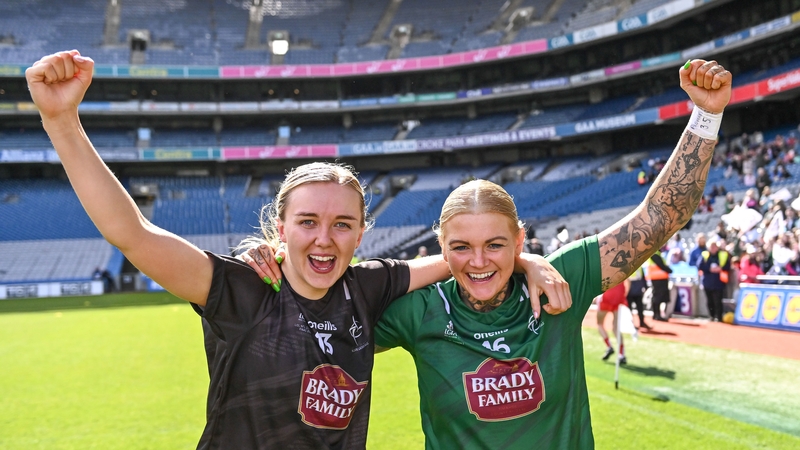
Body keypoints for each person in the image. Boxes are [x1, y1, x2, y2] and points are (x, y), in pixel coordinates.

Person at [26, 50, 572, 449]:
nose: (323, 238)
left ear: (361, 235)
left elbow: (463, 258)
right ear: (280, 227)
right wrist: (62, 122)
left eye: (342, 225)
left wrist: (526, 259)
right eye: (307, 221)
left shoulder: (368, 286)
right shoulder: (244, 290)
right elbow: (133, 234)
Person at [372, 60, 732, 448]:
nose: (478, 261)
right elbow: (327, 326)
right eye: (461, 248)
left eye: (495, 245)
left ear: (519, 241)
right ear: (441, 247)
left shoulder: (564, 280)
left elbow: (661, 216)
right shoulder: (418, 311)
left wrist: (707, 115)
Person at [596, 279, 630, 363]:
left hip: (606, 295)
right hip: (618, 295)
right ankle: (621, 354)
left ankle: (609, 346)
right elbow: (629, 281)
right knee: (616, 327)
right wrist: (624, 295)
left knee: (599, 323)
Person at [697, 238, 731, 322]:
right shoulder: (705, 255)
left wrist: (720, 268)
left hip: (718, 282)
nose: (713, 248)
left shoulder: (723, 255)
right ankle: (711, 316)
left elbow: (728, 266)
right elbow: (699, 265)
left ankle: (719, 317)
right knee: (710, 301)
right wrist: (709, 269)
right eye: (711, 246)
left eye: (714, 246)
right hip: (707, 282)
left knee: (718, 300)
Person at [646, 250, 673, 321]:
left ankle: (656, 314)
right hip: (658, 279)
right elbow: (661, 265)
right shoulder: (654, 254)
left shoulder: (657, 254)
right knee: (657, 297)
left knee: (657, 297)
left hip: (659, 278)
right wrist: (669, 270)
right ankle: (657, 314)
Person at [626, 264, 651, 330]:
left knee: (638, 307)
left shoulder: (635, 265)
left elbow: (643, 277)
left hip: (634, 288)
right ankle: (632, 324)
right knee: (631, 308)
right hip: (631, 288)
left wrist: (645, 286)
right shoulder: (636, 265)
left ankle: (641, 322)